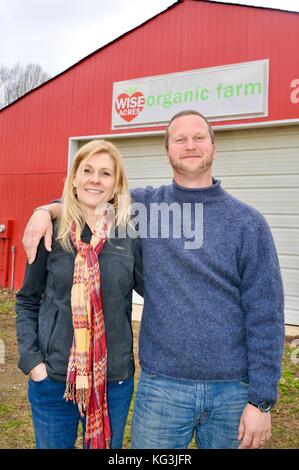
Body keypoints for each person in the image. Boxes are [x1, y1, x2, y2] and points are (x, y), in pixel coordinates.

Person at [22, 110, 284, 449]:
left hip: (232, 390)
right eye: (180, 139)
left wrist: (261, 400)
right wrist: (47, 209)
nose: (190, 145)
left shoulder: (249, 224)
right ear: (167, 151)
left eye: (199, 137)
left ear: (214, 148)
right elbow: (90, 196)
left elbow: (267, 313)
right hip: (162, 389)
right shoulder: (143, 206)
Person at [16, 140, 143, 449]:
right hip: (53, 380)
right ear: (73, 179)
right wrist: (33, 362)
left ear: (116, 186)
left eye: (105, 173)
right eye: (86, 170)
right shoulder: (52, 230)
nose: (94, 179)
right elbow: (27, 300)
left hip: (112, 381)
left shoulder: (128, 236)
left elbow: (156, 290)